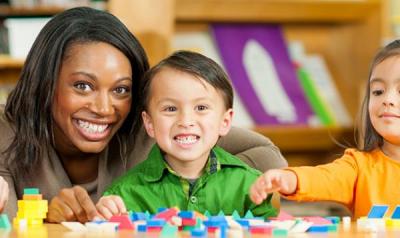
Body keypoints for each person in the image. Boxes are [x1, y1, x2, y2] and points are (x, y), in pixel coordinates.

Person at [0, 7, 286, 222]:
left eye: (121, 90)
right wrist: (47, 213)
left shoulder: (154, 128)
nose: (103, 108)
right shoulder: (8, 129)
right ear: (45, 82)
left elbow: (265, 155)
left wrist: (194, 193)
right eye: (83, 86)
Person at [96, 51, 278, 219]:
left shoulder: (252, 186)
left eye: (201, 108)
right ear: (149, 123)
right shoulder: (123, 195)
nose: (185, 121)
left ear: (225, 121)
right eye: (170, 109)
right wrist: (106, 221)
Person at [250, 39, 400, 219]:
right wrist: (289, 179)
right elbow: (322, 178)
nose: (387, 99)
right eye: (378, 91)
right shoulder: (358, 166)